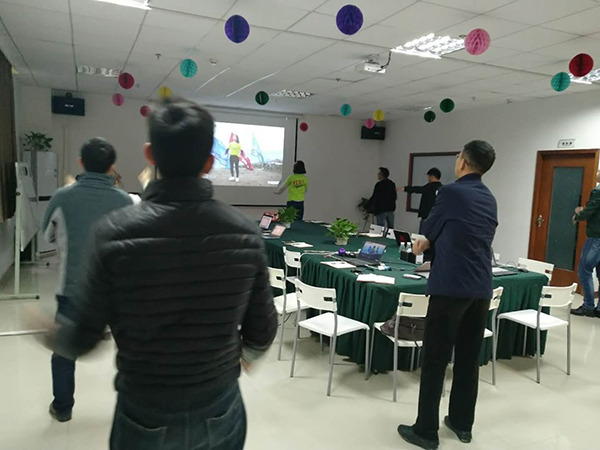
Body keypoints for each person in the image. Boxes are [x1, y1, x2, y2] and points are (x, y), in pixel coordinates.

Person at [37, 99, 278, 450]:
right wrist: (246, 358)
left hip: (145, 409)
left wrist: (49, 332)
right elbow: (263, 328)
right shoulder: (245, 232)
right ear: (210, 163)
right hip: (220, 405)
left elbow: (85, 336)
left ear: (150, 154)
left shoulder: (114, 233)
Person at [398, 140, 498, 450]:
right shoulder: (489, 197)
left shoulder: (451, 192)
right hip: (480, 288)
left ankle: (426, 431)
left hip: (451, 287)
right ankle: (461, 423)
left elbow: (428, 232)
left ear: (463, 162)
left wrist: (422, 244)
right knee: (468, 359)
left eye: (457, 157)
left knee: (435, 359)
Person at [41, 138, 133, 423]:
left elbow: (47, 236)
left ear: (81, 163)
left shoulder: (62, 197)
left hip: (73, 288)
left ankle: (63, 407)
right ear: (112, 166)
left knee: (64, 349)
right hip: (116, 291)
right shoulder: (125, 200)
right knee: (130, 350)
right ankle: (132, 405)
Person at [572, 170, 600, 318]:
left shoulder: (598, 191)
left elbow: (591, 210)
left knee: (584, 270)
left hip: (596, 237)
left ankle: (588, 306)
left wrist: (578, 215)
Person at [403, 168, 443, 232]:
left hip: (426, 215)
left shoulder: (429, 187)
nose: (428, 179)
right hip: (436, 216)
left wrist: (405, 188)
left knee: (422, 234)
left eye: (429, 177)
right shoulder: (442, 188)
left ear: (432, 176)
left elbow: (418, 189)